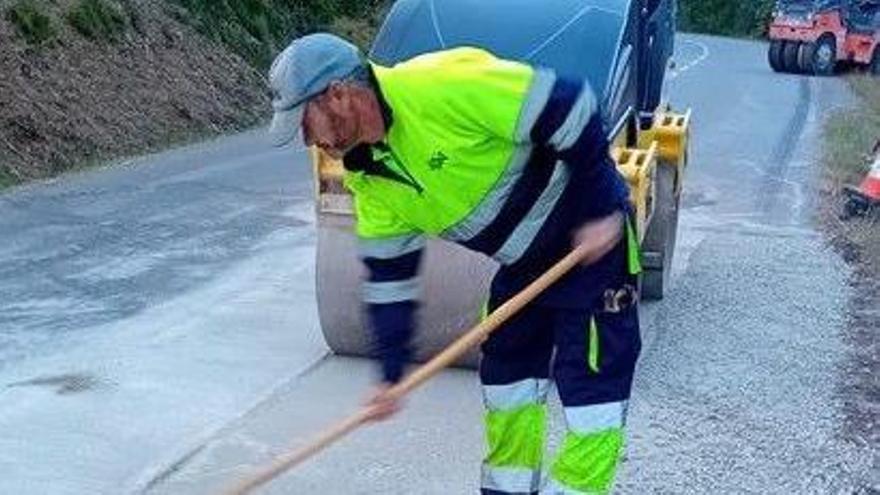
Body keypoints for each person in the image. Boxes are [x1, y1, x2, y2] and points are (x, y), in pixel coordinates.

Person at [268, 32, 642, 495]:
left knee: (592, 401)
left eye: (306, 123)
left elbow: (572, 105)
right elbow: (389, 280)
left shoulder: (441, 85)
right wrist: (391, 373)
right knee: (507, 379)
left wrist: (598, 212)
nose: (308, 140)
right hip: (524, 265)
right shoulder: (369, 178)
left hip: (590, 251)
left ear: (338, 95)